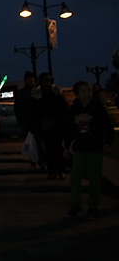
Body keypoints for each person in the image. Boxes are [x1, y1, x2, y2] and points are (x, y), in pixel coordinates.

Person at [64, 80, 114, 220]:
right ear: (78, 94)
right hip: (80, 148)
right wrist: (67, 146)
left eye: (89, 91)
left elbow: (107, 128)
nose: (88, 94)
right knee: (76, 177)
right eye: (84, 91)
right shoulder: (74, 109)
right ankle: (76, 205)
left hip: (94, 148)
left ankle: (93, 206)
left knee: (94, 179)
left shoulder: (98, 108)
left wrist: (108, 143)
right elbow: (70, 129)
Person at [32, 72, 69, 180]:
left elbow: (64, 108)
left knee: (58, 149)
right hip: (45, 126)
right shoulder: (38, 95)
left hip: (57, 124)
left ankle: (60, 170)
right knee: (49, 150)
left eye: (49, 80)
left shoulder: (56, 93)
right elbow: (35, 112)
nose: (48, 83)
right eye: (45, 80)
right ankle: (52, 171)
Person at [14, 71, 42, 168]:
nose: (31, 82)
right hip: (28, 122)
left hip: (35, 121)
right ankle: (34, 160)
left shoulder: (36, 92)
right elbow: (18, 108)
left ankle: (38, 160)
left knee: (38, 142)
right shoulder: (23, 93)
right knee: (33, 142)